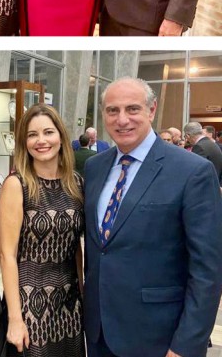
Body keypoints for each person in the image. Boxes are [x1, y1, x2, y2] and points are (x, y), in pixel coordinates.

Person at [83, 77, 222, 357]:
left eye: (132, 109)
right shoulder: (94, 167)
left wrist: (186, 345)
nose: (122, 119)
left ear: (152, 110)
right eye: (112, 110)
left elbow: (208, 269)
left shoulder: (192, 171)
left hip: (159, 339)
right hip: (99, 333)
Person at [0, 104, 85, 356]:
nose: (41, 141)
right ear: (24, 142)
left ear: (61, 136)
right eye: (32, 135)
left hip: (69, 303)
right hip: (29, 303)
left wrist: (82, 293)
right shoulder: (17, 184)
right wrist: (15, 318)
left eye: (48, 132)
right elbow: (7, 255)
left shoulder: (76, 183)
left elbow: (76, 249)